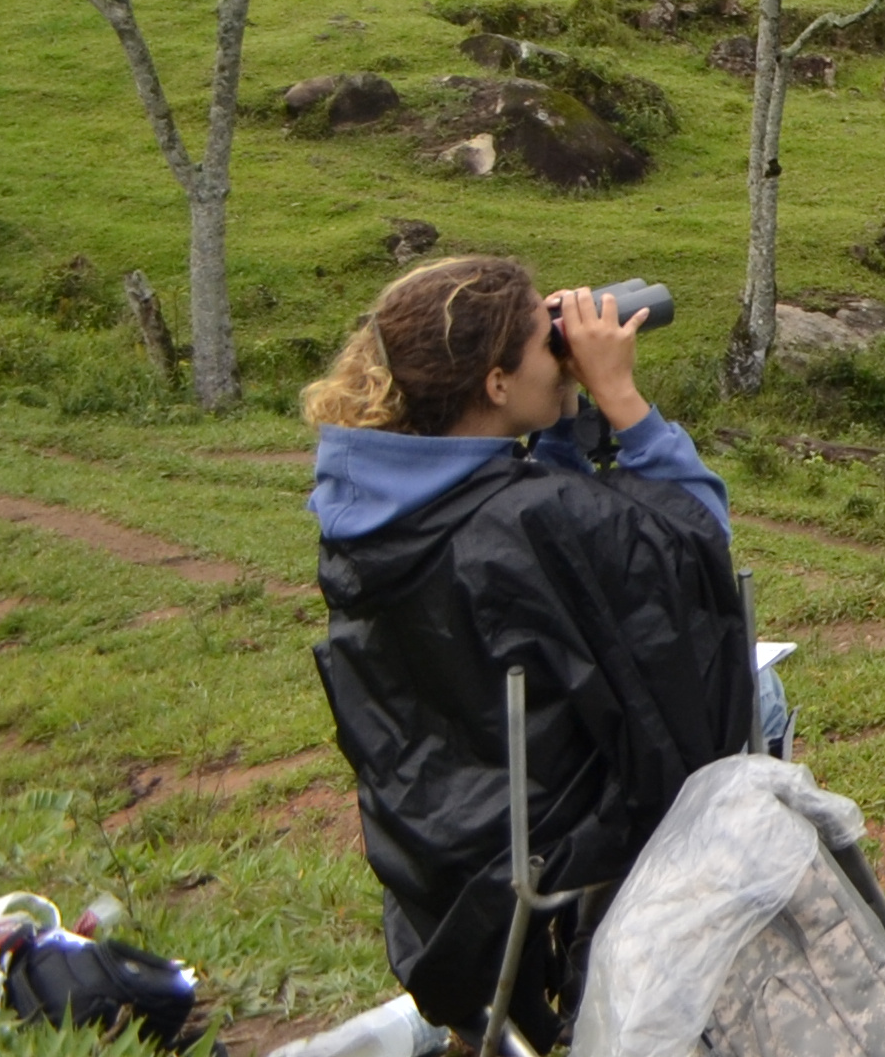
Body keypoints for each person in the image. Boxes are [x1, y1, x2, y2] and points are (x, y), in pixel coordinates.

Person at [306, 260, 760, 1050]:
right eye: (544, 345)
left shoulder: (369, 512)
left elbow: (550, 544)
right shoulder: (533, 517)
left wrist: (550, 414)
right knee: (761, 694)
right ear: (493, 384)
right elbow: (697, 547)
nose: (564, 354)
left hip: (447, 831)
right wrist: (620, 401)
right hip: (563, 828)